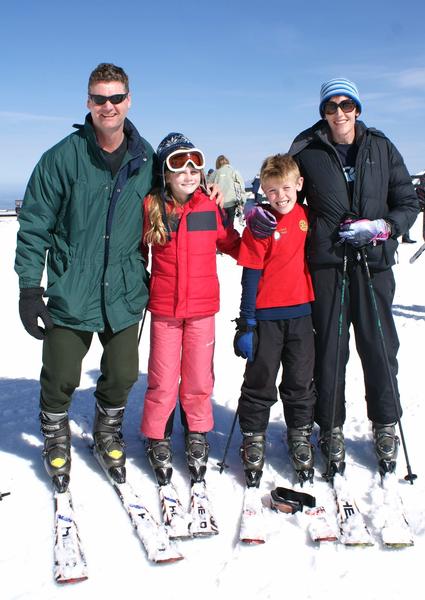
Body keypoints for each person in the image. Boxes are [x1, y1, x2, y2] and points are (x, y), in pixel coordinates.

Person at [246, 78, 419, 476]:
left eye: (346, 105)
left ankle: (385, 424)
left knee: (379, 349)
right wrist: (261, 210)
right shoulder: (307, 146)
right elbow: (283, 188)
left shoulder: (380, 146)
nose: (339, 113)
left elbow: (407, 202)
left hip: (372, 264)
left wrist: (383, 227)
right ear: (322, 111)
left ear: (358, 108)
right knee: (330, 353)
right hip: (327, 264)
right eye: (330, 106)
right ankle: (331, 427)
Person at [14, 63, 157, 493]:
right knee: (60, 374)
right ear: (88, 102)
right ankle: (56, 433)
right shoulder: (62, 157)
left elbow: (171, 205)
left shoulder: (145, 158)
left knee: (123, 373)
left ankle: (107, 429)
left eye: (116, 98)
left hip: (125, 287)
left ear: (129, 100)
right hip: (72, 287)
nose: (108, 106)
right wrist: (28, 287)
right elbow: (35, 223)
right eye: (100, 98)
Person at [140, 133, 240, 487]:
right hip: (165, 311)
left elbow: (233, 244)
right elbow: (132, 251)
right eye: (178, 164)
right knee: (163, 379)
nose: (188, 171)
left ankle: (197, 431)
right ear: (165, 173)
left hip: (201, 311)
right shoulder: (152, 208)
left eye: (194, 163)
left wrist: (259, 234)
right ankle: (158, 434)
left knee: (199, 378)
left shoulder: (208, 208)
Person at [234, 154, 316, 486]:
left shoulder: (307, 217)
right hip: (267, 318)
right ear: (262, 192)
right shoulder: (260, 226)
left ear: (298, 185)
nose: (280, 196)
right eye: (271, 191)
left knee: (299, 381)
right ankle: (253, 435)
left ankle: (299, 434)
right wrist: (247, 323)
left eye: (285, 188)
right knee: (260, 379)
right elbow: (250, 278)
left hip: (301, 315)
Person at [209, 155, 246, 224]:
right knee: (230, 225)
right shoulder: (234, 171)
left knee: (220, 224)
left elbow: (208, 187)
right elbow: (241, 187)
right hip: (232, 202)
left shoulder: (214, 174)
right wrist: (242, 201)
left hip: (219, 203)